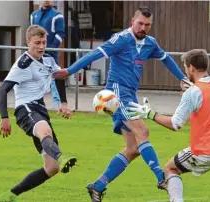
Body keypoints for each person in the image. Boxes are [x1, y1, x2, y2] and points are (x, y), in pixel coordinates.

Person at [53, 7, 190, 202]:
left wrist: (183, 79)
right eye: (140, 23)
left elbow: (166, 59)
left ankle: (97, 186)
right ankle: (162, 177)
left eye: (147, 25)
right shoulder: (121, 39)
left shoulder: (150, 43)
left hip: (130, 95)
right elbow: (95, 54)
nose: (143, 27)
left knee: (133, 148)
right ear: (132, 21)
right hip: (115, 94)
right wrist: (70, 70)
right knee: (143, 131)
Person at [126, 49, 210, 202]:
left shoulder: (192, 93)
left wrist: (150, 114)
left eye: (186, 68)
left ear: (191, 67)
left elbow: (176, 124)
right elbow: (209, 98)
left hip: (207, 150)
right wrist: (192, 90)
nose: (185, 71)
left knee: (170, 168)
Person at [0, 25, 77, 202]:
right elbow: (2, 91)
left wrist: (63, 103)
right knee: (44, 132)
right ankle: (61, 157)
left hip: (40, 109)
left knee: (51, 168)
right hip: (25, 109)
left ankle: (10, 195)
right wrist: (4, 118)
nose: (41, 47)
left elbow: (59, 77)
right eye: (37, 43)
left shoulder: (48, 60)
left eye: (44, 43)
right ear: (28, 42)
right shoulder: (23, 64)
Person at [30, 0, 68, 114]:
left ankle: (59, 104)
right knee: (35, 78)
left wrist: (50, 48)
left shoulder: (57, 15)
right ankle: (34, 103)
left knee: (55, 77)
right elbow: (31, 32)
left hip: (50, 54)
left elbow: (60, 34)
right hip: (35, 54)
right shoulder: (34, 15)